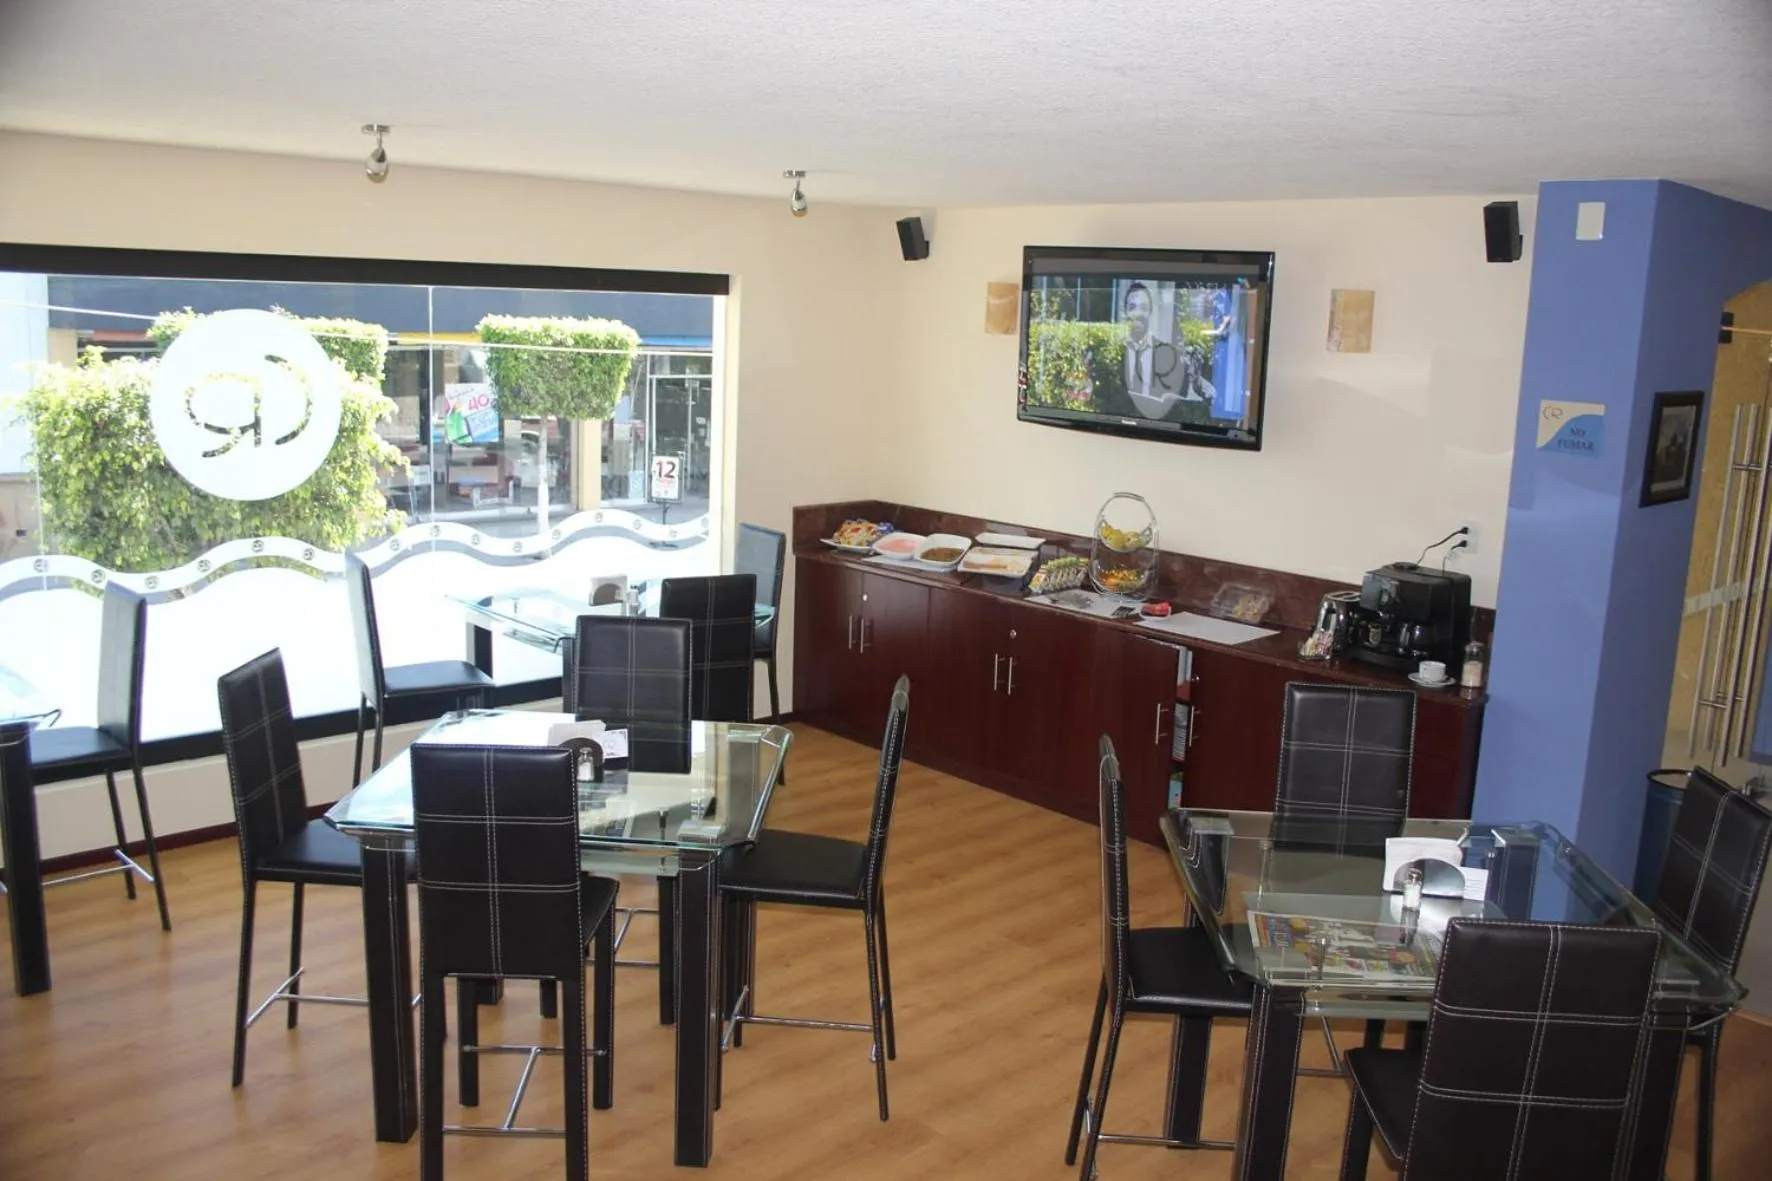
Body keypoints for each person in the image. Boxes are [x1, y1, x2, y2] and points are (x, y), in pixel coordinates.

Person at [1090, 282, 1185, 420]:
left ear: (1151, 312)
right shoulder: (1111, 355)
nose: (1138, 313)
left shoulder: (1167, 354)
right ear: (1126, 312)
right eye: (1132, 307)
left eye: (1144, 308)